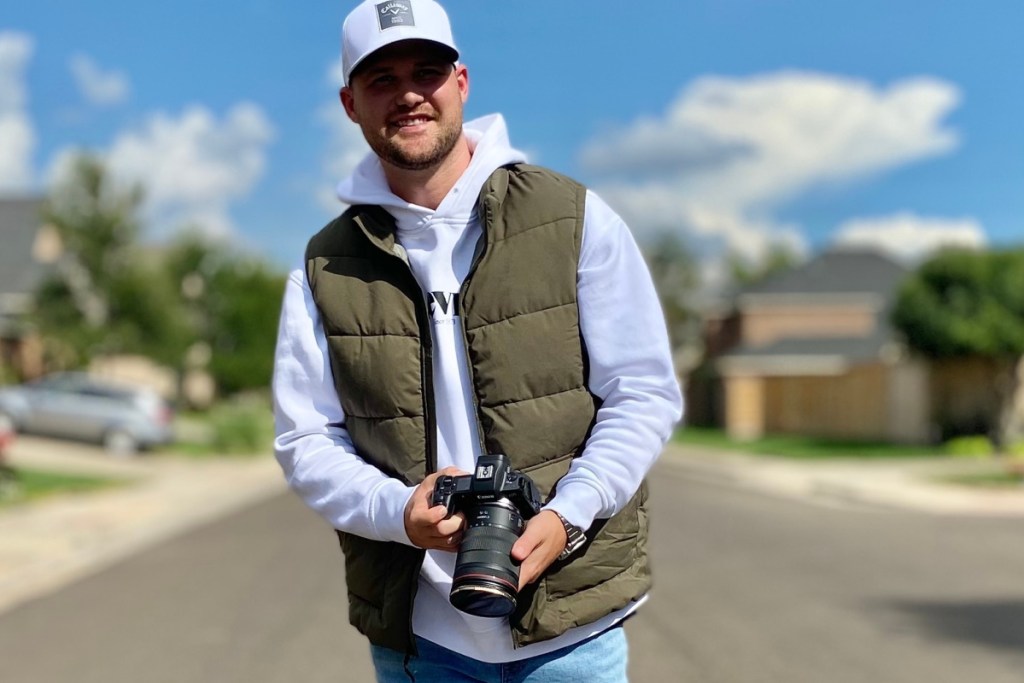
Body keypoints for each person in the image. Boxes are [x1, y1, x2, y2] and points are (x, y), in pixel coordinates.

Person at [272, 1, 682, 680]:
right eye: (381, 79)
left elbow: (641, 392)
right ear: (350, 103)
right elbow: (304, 439)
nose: (408, 93)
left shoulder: (574, 218)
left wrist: (568, 516)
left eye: (426, 71)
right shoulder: (324, 266)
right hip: (421, 640)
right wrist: (397, 510)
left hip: (571, 630)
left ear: (461, 81)